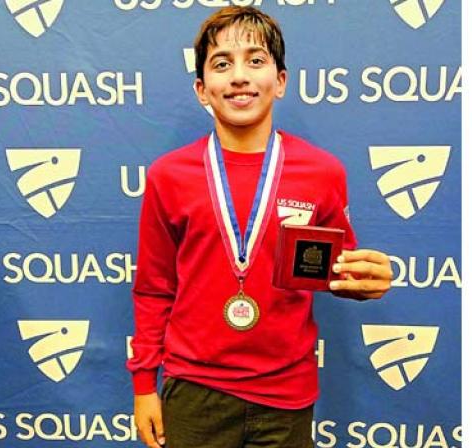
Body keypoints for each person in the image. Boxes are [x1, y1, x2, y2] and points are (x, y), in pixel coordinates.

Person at [126, 6, 393, 448]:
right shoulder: (167, 175)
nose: (239, 76)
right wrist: (142, 387)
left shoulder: (322, 172)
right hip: (194, 391)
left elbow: (335, 269)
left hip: (286, 393)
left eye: (255, 60)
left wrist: (364, 281)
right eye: (221, 64)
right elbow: (154, 289)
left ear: (281, 81)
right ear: (201, 90)